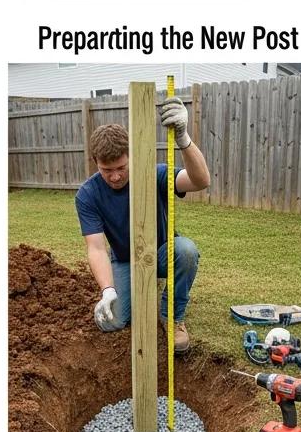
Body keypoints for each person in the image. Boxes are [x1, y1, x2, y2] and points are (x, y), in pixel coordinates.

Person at [75, 94, 211, 353]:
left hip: (161, 253)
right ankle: (131, 290)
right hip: (125, 259)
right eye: (106, 170)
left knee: (186, 251)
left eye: (121, 167)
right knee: (113, 322)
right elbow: (96, 248)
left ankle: (172, 315)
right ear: (95, 162)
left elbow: (201, 181)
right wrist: (107, 290)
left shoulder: (153, 173)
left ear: (131, 156)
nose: (115, 176)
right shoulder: (88, 194)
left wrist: (184, 140)